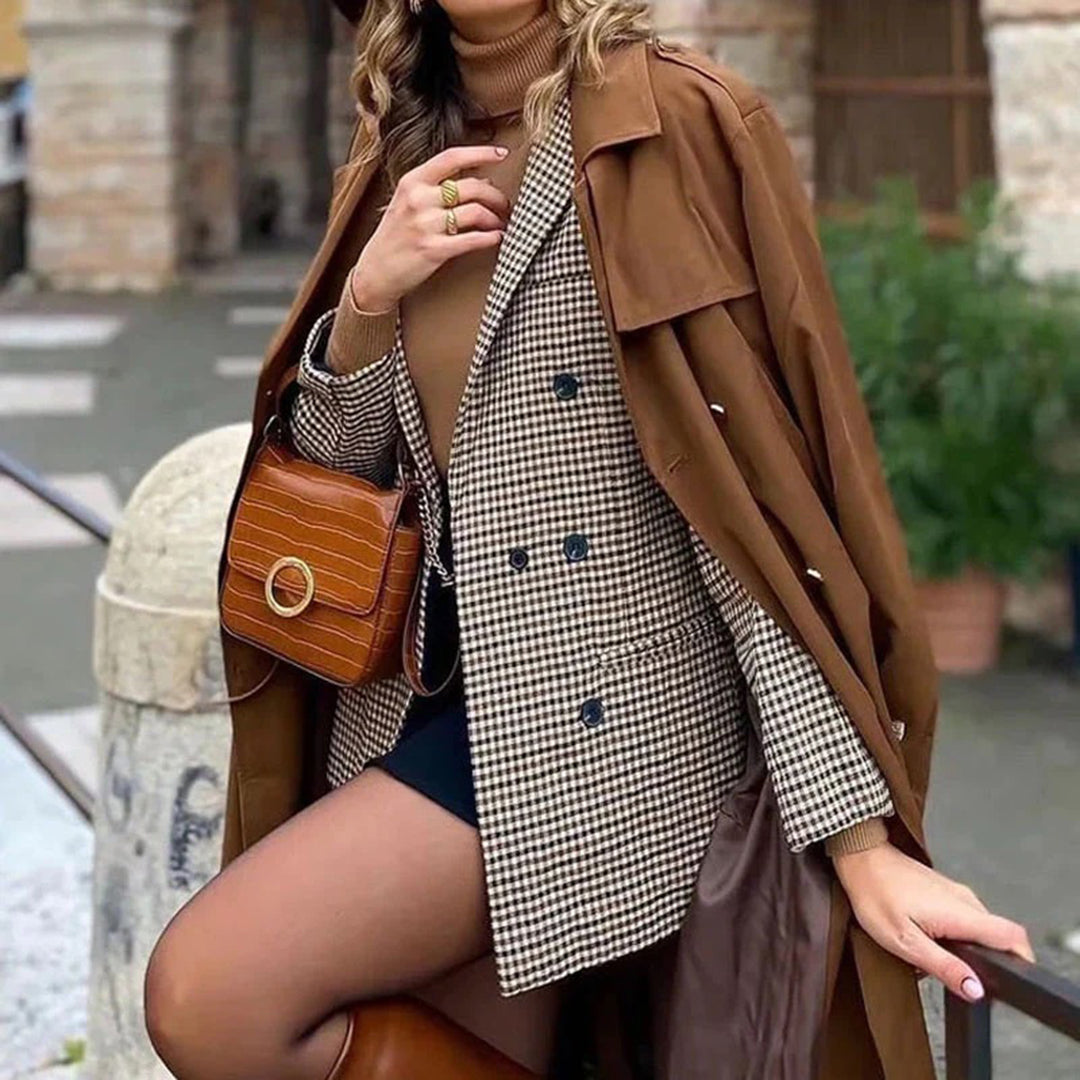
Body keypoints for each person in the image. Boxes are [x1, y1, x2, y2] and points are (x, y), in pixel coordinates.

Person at [143, 1, 1035, 1077]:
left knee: (210, 993)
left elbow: (747, 507)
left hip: (602, 727)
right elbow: (340, 474)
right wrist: (370, 299)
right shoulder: (400, 142)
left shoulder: (671, 119)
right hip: (426, 695)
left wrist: (857, 839)